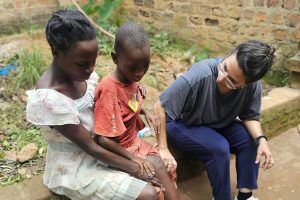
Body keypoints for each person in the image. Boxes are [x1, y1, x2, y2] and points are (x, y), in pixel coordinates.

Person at [26, 9, 161, 200]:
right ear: (56, 52)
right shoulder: (50, 99)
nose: (90, 70)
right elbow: (90, 146)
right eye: (83, 64)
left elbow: (111, 105)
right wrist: (135, 166)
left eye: (93, 62)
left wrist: (140, 105)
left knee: (158, 165)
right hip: (76, 168)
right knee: (148, 194)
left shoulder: (86, 78)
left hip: (103, 150)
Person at [154, 40, 275, 200]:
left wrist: (261, 139)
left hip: (216, 122)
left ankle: (245, 196)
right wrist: (162, 147)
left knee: (252, 140)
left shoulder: (253, 86)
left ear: (246, 84)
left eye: (231, 81)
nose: (221, 78)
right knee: (219, 148)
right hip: (181, 123)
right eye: (224, 67)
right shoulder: (201, 73)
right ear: (231, 54)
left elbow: (250, 116)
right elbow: (159, 106)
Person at [93, 22, 179, 200]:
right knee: (156, 174)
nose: (140, 73)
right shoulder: (109, 88)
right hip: (119, 150)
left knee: (162, 167)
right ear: (115, 58)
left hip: (133, 143)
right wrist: (134, 159)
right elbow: (102, 139)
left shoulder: (129, 76)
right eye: (134, 68)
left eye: (145, 66)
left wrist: (144, 110)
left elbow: (127, 105)